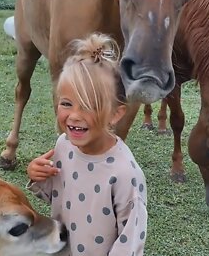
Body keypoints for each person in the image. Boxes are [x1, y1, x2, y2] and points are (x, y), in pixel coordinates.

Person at [26, 33, 147, 256]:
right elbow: (61, 195)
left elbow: (130, 240)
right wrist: (37, 175)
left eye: (88, 105)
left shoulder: (125, 174)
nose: (74, 116)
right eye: (66, 103)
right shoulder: (63, 145)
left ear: (115, 114)